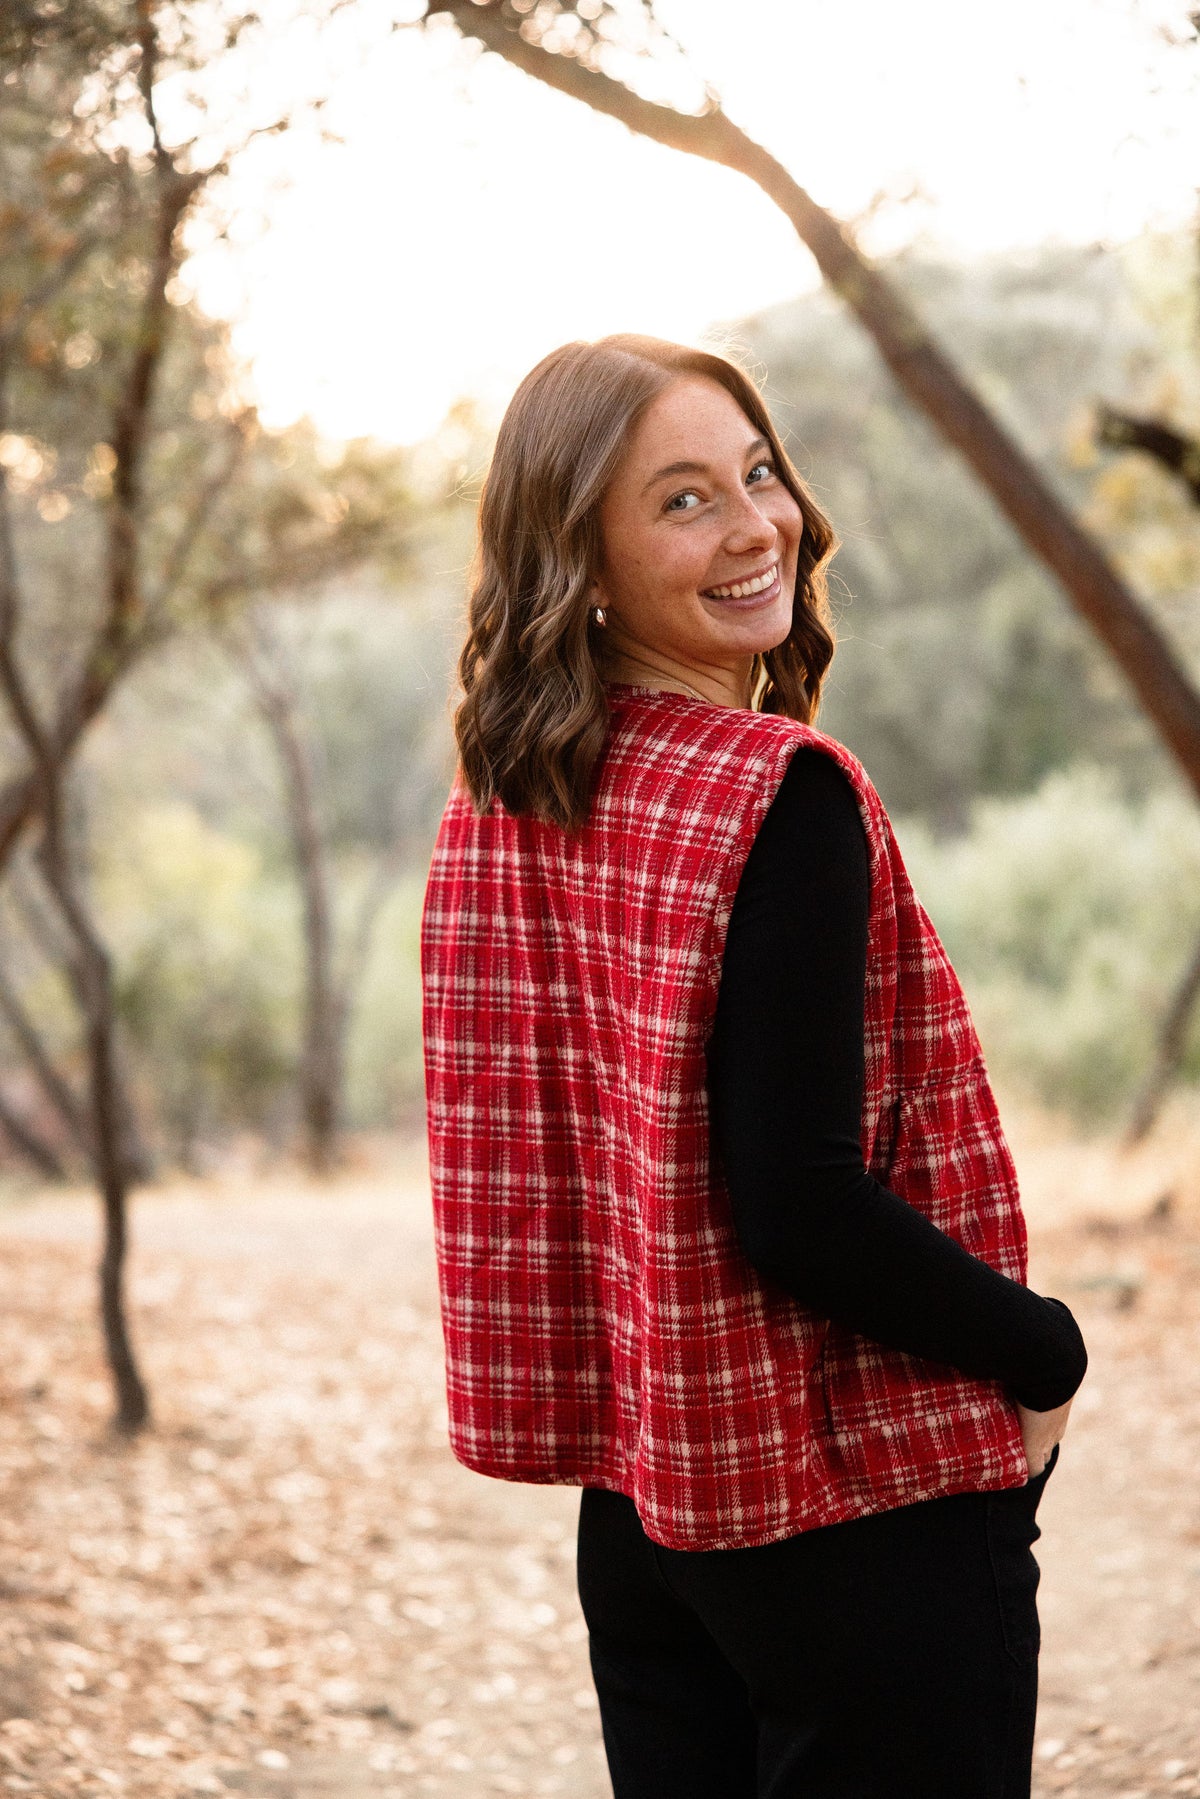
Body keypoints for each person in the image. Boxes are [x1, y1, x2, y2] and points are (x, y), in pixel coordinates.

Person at [419, 333, 1089, 1799]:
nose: (754, 524)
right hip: (853, 1505)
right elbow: (796, 1206)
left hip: (648, 1513)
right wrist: (1046, 1348)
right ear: (580, 559)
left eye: (759, 471)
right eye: (681, 500)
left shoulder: (516, 788)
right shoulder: (780, 796)